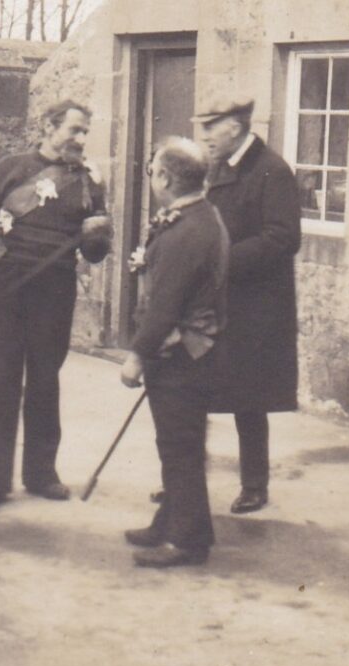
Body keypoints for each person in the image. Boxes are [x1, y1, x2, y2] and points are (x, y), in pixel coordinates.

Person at [0, 99, 112, 512]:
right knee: (2, 381)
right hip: (9, 288)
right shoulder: (9, 170)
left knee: (45, 381)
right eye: (74, 130)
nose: (80, 139)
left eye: (84, 132)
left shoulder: (90, 181)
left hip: (56, 290)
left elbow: (96, 252)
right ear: (49, 126)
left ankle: (42, 474)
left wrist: (98, 239)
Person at [121, 136, 229, 568]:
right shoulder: (200, 217)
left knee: (180, 446)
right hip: (191, 352)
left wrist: (136, 356)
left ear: (165, 177)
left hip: (182, 355)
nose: (152, 178)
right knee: (177, 443)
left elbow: (165, 305)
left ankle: (188, 540)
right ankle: (170, 522)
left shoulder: (186, 230)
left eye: (152, 172)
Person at [193, 94, 300, 515]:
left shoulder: (272, 170)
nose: (204, 136)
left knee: (248, 398)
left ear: (234, 126)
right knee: (195, 387)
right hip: (218, 301)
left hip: (257, 306)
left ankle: (255, 485)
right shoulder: (216, 169)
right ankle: (187, 479)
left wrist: (221, 259)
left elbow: (283, 238)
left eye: (210, 126)